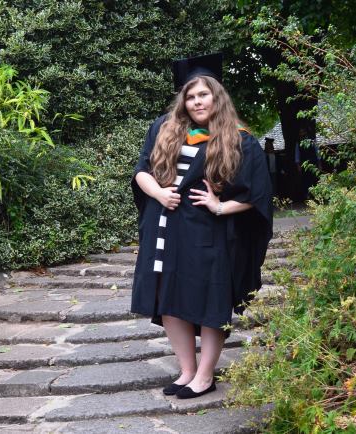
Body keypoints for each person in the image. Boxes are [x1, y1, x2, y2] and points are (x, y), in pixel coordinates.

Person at [130, 53, 272, 399]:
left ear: (216, 97)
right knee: (167, 298)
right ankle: (187, 371)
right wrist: (159, 194)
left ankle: (205, 376)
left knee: (211, 300)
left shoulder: (240, 140)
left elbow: (258, 194)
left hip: (209, 234)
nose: (197, 102)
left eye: (203, 95)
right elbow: (141, 171)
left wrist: (220, 206)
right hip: (165, 229)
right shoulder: (163, 128)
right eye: (191, 96)